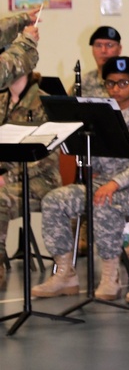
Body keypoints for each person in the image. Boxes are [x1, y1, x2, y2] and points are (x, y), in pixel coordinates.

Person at [36, 57, 129, 302]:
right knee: (54, 200)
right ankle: (65, 273)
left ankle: (110, 275)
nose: (116, 89)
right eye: (111, 84)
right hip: (102, 182)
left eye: (123, 83)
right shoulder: (100, 115)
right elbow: (91, 156)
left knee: (103, 201)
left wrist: (114, 184)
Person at [0, 70, 61, 290]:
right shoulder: (1, 100)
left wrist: (8, 176)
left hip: (41, 181)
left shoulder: (44, 103)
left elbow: (47, 157)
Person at [82, 27, 129, 95]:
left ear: (119, 49)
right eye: (98, 45)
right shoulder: (86, 80)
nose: (103, 51)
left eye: (109, 45)